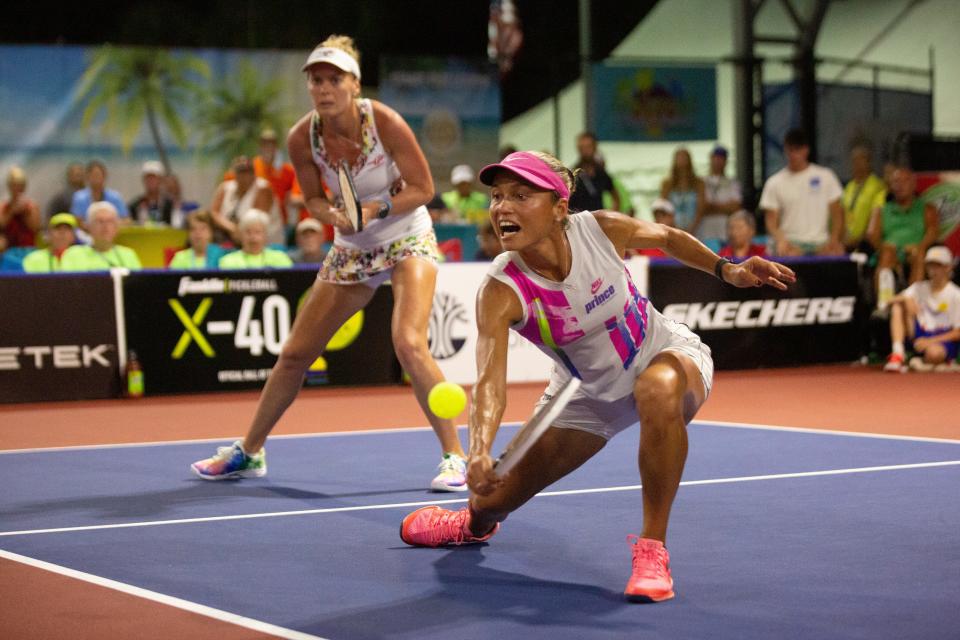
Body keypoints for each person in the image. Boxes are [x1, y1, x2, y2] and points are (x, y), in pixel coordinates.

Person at [398, 150, 795, 603]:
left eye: (520, 195)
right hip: (584, 395)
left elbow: (666, 237)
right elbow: (490, 381)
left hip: (665, 353)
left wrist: (729, 269)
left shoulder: (600, 229)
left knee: (657, 387)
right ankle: (469, 526)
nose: (502, 207)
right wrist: (481, 452)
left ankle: (652, 549)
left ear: (559, 207)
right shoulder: (501, 289)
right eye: (497, 197)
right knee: (491, 500)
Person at [191, 35, 469, 491]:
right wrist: (333, 215)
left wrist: (376, 209)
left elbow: (423, 188)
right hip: (351, 246)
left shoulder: (386, 123)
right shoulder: (303, 136)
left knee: (408, 343)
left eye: (333, 79)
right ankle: (250, 451)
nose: (323, 88)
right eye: (316, 80)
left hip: (405, 234)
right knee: (295, 353)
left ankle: (455, 456)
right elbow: (313, 198)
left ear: (353, 84)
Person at [760, 129, 844, 256]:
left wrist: (834, 239)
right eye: (790, 150)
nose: (793, 154)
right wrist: (781, 240)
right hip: (791, 245)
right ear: (785, 150)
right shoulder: (774, 182)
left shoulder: (826, 176)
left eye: (797, 150)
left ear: (806, 150)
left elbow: (838, 215)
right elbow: (771, 222)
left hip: (822, 244)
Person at [867, 167, 938, 307]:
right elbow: (871, 235)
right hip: (889, 250)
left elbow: (933, 231)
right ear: (890, 186)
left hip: (915, 249)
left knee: (919, 255)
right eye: (896, 181)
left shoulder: (927, 208)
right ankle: (884, 304)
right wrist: (885, 248)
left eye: (905, 181)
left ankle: (913, 302)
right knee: (887, 254)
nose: (900, 185)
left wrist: (921, 246)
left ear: (913, 184)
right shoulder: (881, 210)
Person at [884, 246, 960, 372]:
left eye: (938, 266)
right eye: (930, 266)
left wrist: (930, 341)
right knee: (898, 305)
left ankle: (919, 362)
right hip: (919, 333)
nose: (933, 270)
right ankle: (898, 354)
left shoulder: (956, 294)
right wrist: (906, 299)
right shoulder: (919, 287)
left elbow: (958, 332)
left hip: (941, 338)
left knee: (934, 354)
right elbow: (887, 301)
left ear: (948, 267)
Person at [210, 156, 281, 245]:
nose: (244, 176)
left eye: (248, 171)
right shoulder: (225, 187)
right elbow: (214, 213)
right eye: (241, 171)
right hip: (230, 236)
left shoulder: (263, 188)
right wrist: (231, 228)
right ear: (235, 173)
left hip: (265, 241)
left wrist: (236, 231)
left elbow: (256, 220)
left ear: (253, 173)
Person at [60, 202, 142, 271]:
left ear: (117, 227)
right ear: (88, 227)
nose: (105, 226)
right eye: (100, 221)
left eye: (110, 221)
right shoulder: (73, 255)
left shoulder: (128, 255)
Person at [841, 145, 886, 251]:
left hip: (865, 244)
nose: (858, 163)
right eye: (855, 160)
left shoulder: (878, 186)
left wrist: (861, 240)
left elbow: (877, 215)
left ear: (869, 162)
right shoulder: (849, 186)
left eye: (862, 159)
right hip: (846, 242)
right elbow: (843, 212)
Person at [218, 209, 294, 269]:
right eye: (248, 232)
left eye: (257, 232)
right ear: (241, 235)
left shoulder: (280, 258)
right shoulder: (228, 261)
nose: (253, 237)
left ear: (265, 235)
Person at [569, 132, 620, 213]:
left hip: (597, 221)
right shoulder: (573, 174)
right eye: (581, 148)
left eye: (588, 147)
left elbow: (616, 197)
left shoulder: (601, 173)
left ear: (595, 147)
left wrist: (610, 216)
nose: (585, 151)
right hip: (578, 221)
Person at [700, 146, 742, 242]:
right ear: (710, 158)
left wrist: (711, 207)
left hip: (724, 232)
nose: (718, 161)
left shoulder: (732, 183)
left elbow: (735, 207)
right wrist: (725, 207)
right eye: (716, 158)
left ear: (726, 161)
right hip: (704, 232)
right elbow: (702, 207)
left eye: (721, 158)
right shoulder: (702, 181)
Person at [659, 147, 705, 235]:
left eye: (684, 158)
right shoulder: (667, 184)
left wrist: (692, 229)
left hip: (695, 229)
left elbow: (701, 209)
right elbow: (663, 209)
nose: (682, 161)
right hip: (673, 228)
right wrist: (673, 228)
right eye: (679, 158)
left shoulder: (699, 183)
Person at [0, 166, 42, 251]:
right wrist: (12, 211)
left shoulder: (32, 206)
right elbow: (1, 225)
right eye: (14, 185)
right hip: (8, 250)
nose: (17, 189)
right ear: (9, 187)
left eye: (20, 185)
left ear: (24, 187)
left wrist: (25, 212)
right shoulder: (3, 206)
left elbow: (36, 229)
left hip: (28, 248)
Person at [128, 161, 174, 225]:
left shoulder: (170, 204)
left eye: (154, 178)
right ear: (143, 180)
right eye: (148, 178)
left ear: (161, 180)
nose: (151, 181)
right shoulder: (135, 205)